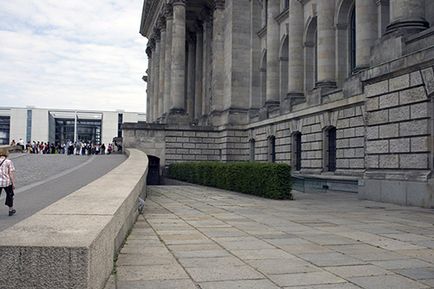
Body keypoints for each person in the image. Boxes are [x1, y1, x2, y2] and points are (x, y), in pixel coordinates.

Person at [0, 148, 16, 216]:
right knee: (10, 195)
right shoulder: (8, 161)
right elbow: (11, 173)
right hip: (7, 182)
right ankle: (10, 209)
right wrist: (13, 183)